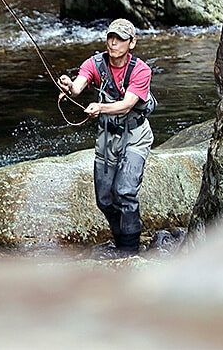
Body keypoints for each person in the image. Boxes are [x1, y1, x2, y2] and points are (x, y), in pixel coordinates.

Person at [58, 18, 155, 256]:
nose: (113, 43)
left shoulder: (141, 70)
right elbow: (79, 86)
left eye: (120, 39)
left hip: (135, 134)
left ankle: (130, 251)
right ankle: (121, 241)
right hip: (107, 137)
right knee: (104, 199)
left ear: (131, 43)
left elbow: (127, 104)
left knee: (124, 192)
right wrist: (69, 86)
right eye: (111, 37)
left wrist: (99, 108)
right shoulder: (94, 63)